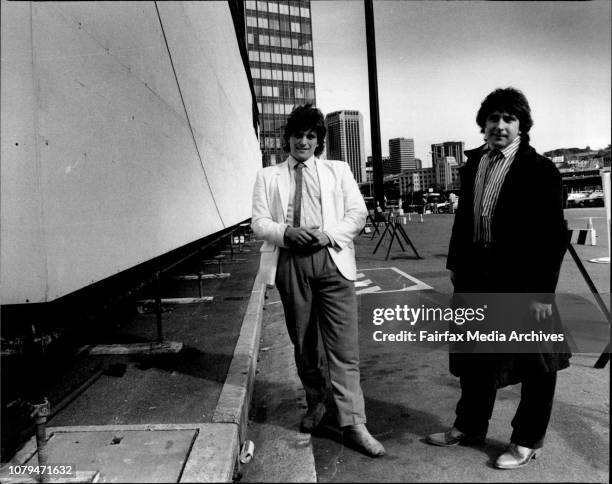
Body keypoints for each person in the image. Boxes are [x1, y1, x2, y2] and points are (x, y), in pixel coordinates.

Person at [426, 88, 571, 469]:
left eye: (508, 118)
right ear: (483, 124)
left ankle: (526, 440)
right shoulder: (474, 164)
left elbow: (554, 238)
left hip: (524, 281)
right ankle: (469, 427)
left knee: (537, 364)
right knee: (475, 359)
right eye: (493, 118)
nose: (499, 125)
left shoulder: (539, 169)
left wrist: (543, 294)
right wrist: (456, 267)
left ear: (522, 125)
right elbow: (464, 221)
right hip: (477, 277)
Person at [251, 104, 385, 457]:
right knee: (304, 344)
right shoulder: (269, 176)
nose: (303, 142)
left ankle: (354, 422)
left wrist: (328, 236)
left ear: (319, 141)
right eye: (298, 135)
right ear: (288, 139)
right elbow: (259, 223)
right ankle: (316, 403)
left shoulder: (337, 170)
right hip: (291, 263)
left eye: (311, 136)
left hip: (333, 260)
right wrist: (287, 232)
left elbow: (358, 213)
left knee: (343, 348)